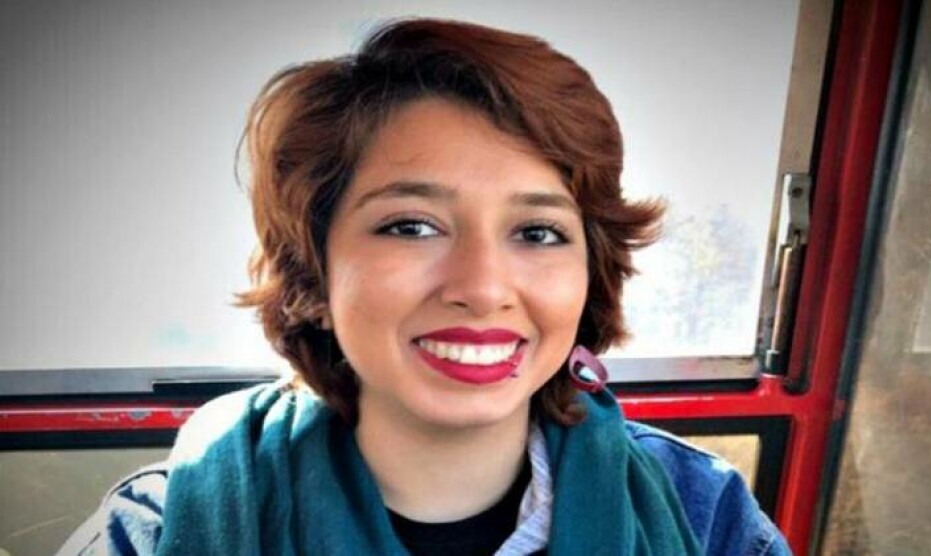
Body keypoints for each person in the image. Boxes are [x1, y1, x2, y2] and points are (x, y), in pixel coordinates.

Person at [60, 18, 791, 556]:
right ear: (312, 279)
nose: (483, 287)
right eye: (411, 226)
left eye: (538, 233)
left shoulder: (705, 517)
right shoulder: (158, 530)